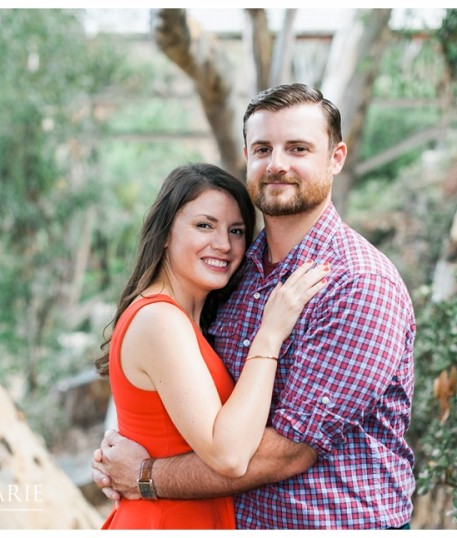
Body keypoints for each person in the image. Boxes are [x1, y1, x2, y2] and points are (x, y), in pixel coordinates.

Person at [93, 84, 416, 529]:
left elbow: (288, 452)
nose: (277, 164)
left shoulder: (358, 284)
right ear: (248, 156)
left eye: (298, 148)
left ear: (336, 158)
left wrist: (146, 475)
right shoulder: (231, 274)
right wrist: (129, 443)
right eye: (263, 148)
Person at [96, 162, 329, 529]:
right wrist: (270, 334)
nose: (223, 244)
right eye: (204, 225)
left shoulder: (191, 320)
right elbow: (230, 456)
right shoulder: (160, 320)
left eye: (236, 231)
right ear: (165, 232)